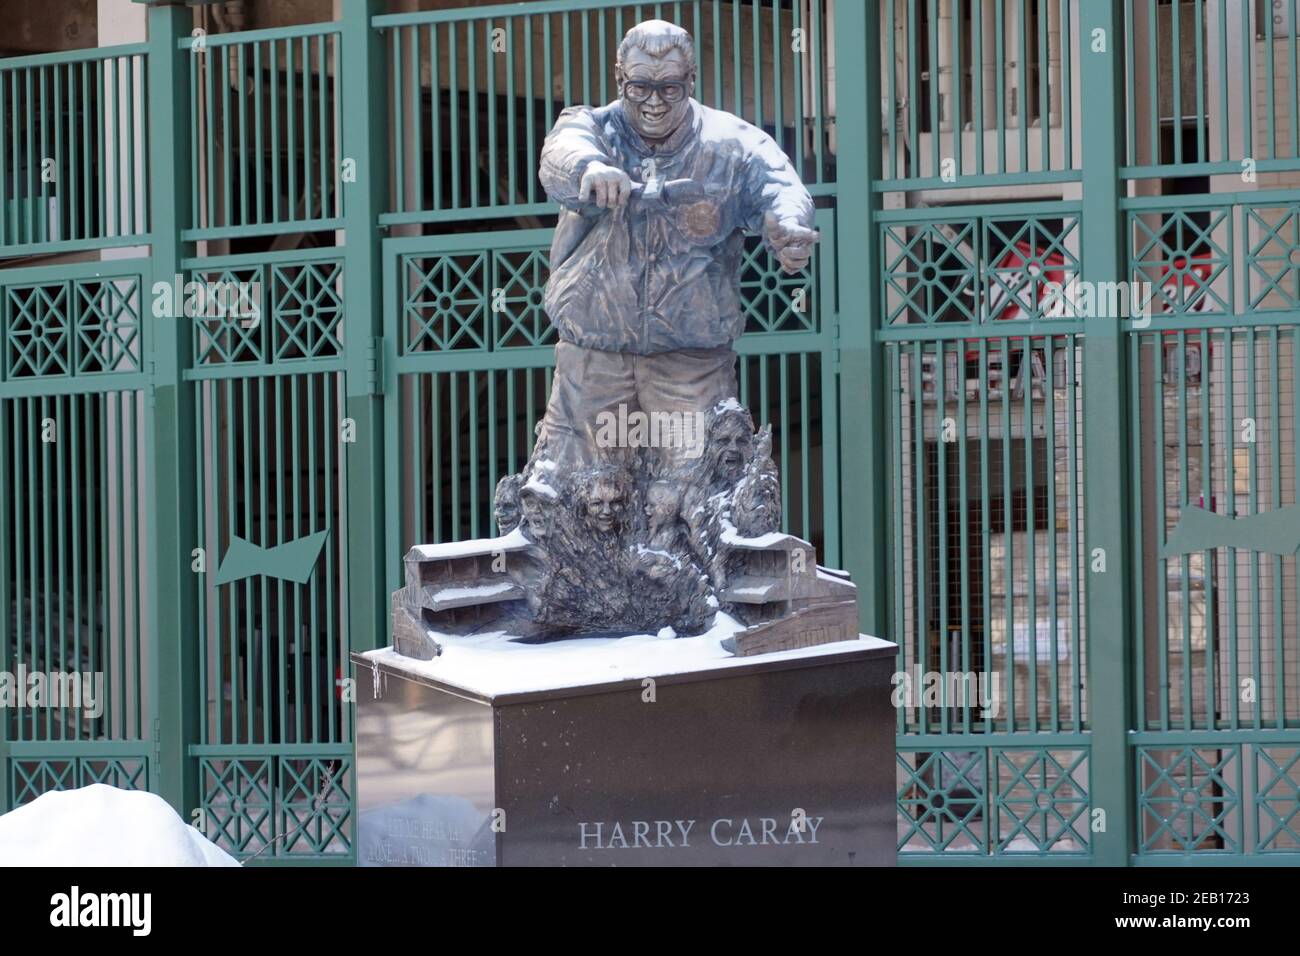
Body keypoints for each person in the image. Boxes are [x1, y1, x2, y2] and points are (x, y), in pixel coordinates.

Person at [534, 18, 819, 474]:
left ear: (691, 80)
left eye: (669, 88)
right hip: (595, 357)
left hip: (691, 365)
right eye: (639, 86)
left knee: (696, 490)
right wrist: (589, 168)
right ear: (619, 78)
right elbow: (560, 153)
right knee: (572, 488)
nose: (653, 102)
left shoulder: (732, 145)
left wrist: (787, 226)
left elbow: (782, 187)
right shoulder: (590, 128)